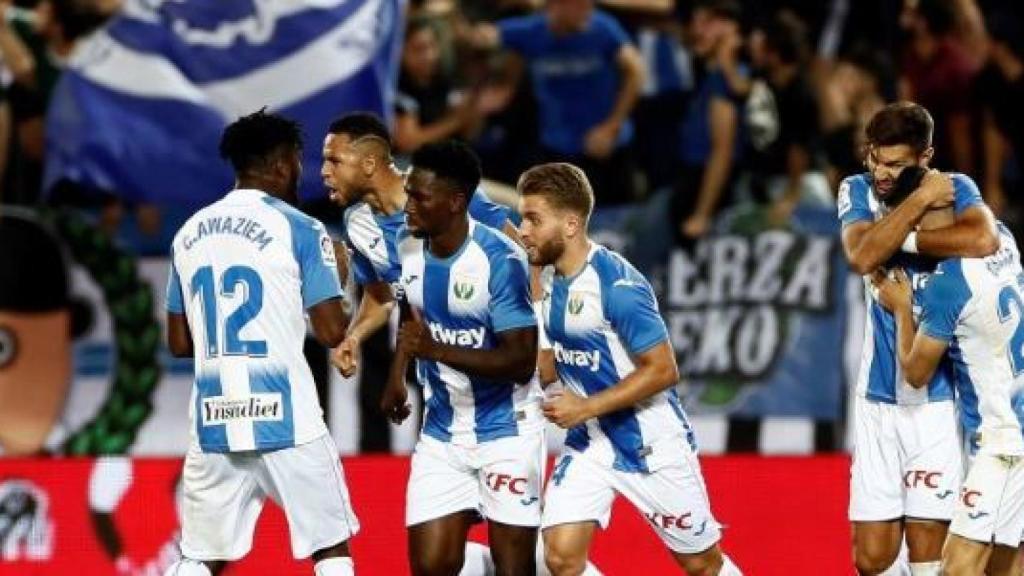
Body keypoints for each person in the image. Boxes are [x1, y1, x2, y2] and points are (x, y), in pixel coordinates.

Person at [516, 162, 741, 576]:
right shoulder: (547, 282)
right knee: (560, 556)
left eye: (533, 219)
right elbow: (548, 369)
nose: (523, 229)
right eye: (521, 218)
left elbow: (663, 370)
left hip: (651, 445)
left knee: (702, 565)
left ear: (570, 224)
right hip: (591, 442)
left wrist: (585, 407)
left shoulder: (617, 284)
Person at [162, 110, 359, 576]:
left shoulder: (188, 232)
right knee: (330, 549)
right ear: (282, 164)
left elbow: (177, 342)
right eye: (297, 160)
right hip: (287, 416)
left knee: (201, 557)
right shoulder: (302, 228)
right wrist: (340, 275)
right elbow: (332, 330)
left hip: (214, 417)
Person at [838, 101, 999, 575]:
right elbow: (862, 254)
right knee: (871, 558)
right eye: (875, 159)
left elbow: (983, 239)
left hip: (936, 401)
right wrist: (917, 202)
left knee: (928, 551)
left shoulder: (957, 188)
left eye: (896, 164)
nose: (881, 173)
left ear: (927, 156)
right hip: (876, 399)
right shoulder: (857, 189)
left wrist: (903, 239)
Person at [381, 140, 542, 576]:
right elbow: (411, 317)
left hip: (507, 432)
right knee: (432, 566)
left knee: (516, 570)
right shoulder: (407, 244)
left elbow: (520, 361)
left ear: (455, 203)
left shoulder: (499, 260)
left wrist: (437, 351)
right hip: (442, 433)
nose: (407, 205)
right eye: (408, 192)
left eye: (419, 197)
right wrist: (398, 376)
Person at [320, 114, 517, 439]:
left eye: (334, 161)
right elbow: (380, 297)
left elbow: (521, 254)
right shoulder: (356, 222)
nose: (324, 172)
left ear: (369, 163)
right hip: (440, 379)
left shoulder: (444, 189)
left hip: (498, 374)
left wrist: (540, 344)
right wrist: (352, 337)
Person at [874, 204, 1024, 576]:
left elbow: (915, 372)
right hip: (1015, 419)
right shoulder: (1003, 239)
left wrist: (901, 307)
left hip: (1001, 442)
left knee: (958, 568)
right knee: (1006, 566)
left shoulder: (949, 284)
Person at [469, 0, 645, 205]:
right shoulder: (532, 31)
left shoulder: (602, 28)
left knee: (617, 220)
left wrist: (611, 127)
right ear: (555, 5)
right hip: (558, 148)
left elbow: (636, 71)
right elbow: (486, 35)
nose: (586, 10)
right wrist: (481, 37)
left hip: (605, 147)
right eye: (578, 5)